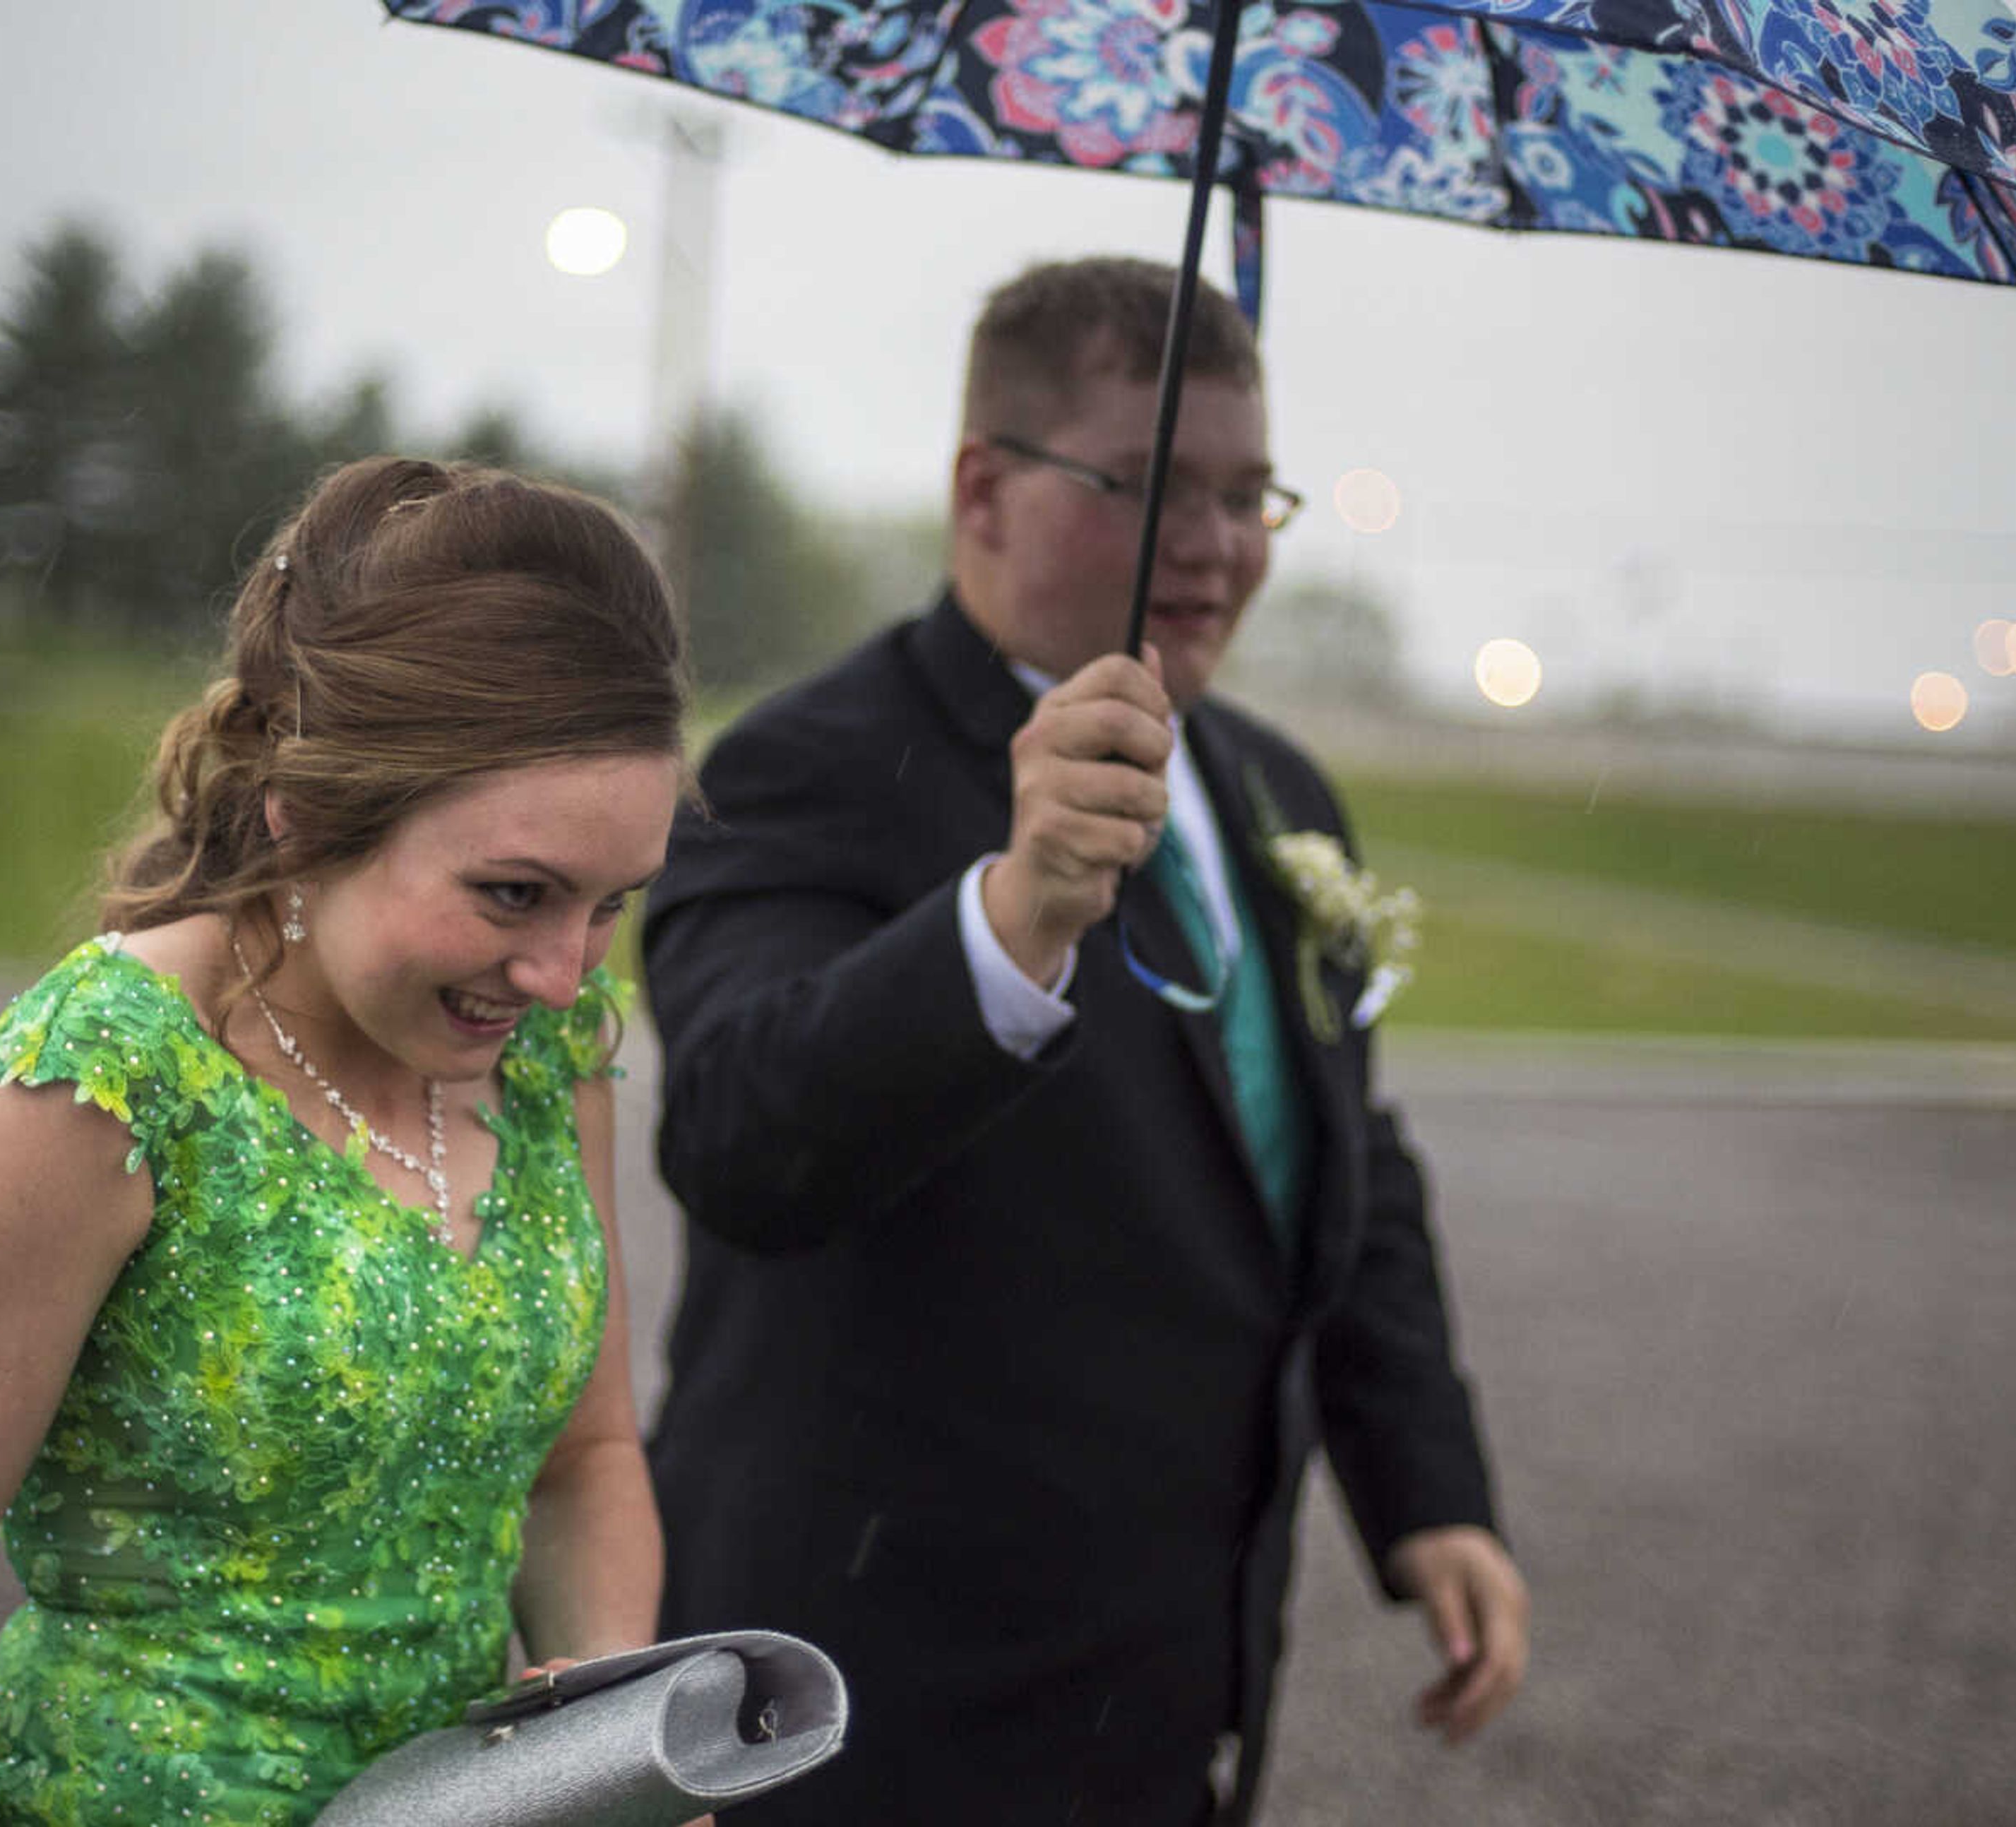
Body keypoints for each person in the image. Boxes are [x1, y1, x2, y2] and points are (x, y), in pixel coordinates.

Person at [640, 257, 1529, 1824]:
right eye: (1150, 487)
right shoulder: (806, 765)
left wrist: (1429, 1496)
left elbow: (1338, 1163)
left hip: (1167, 1686)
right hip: (867, 1697)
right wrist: (1013, 912)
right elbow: (735, 1136)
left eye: (1252, 495)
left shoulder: (1273, 789)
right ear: (983, 489)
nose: (1214, 548)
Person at [0, 456, 690, 1824]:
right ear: (308, 811)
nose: (565, 971)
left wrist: (613, 1734)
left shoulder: (554, 1048)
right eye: (515, 892)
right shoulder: (107, 1084)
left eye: (612, 903)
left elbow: (587, 1459)